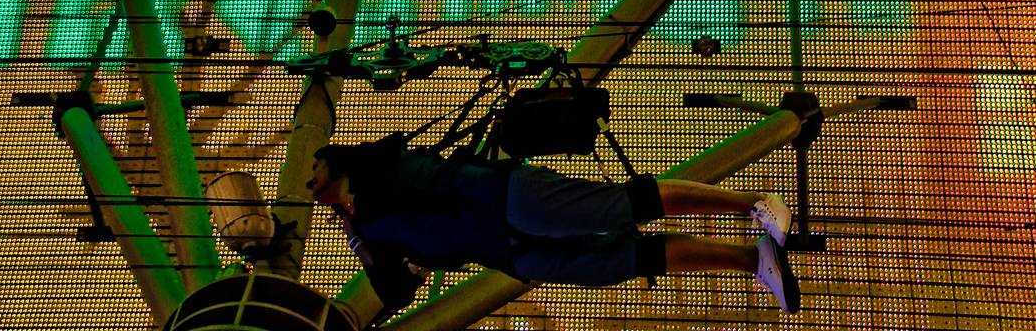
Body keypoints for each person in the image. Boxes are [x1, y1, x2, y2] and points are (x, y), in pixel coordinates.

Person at [306, 135, 801, 315]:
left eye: (315, 170)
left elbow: (400, 170)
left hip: (504, 200)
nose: (310, 183)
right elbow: (393, 293)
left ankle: (753, 204)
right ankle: (751, 259)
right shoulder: (366, 231)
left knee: (621, 206)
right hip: (510, 253)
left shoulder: (379, 170)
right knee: (624, 260)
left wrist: (359, 207)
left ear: (339, 166)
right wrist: (364, 243)